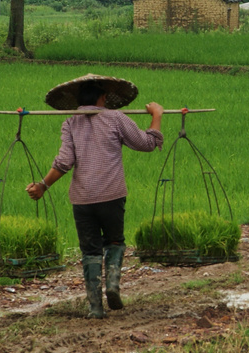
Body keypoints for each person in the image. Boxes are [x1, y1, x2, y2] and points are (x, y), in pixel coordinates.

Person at [27, 72, 164, 319]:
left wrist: (43, 186)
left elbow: (64, 161)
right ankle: (112, 285)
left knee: (90, 251)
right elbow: (146, 143)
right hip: (111, 194)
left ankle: (95, 308)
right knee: (114, 241)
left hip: (82, 199)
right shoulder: (115, 118)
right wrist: (156, 116)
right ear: (103, 97)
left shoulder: (70, 123)